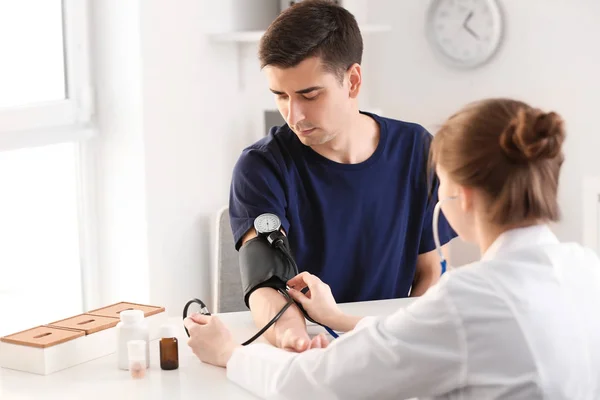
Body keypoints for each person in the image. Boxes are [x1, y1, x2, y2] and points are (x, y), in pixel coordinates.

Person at [185, 98, 600, 399]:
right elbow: (428, 338)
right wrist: (340, 319)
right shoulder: (585, 269)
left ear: (465, 195)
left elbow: (312, 384)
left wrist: (230, 352)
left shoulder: (471, 299)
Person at [228, 0, 455, 353]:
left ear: (352, 81)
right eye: (281, 96)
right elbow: (266, 282)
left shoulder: (417, 149)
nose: (293, 114)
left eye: (309, 94)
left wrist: (408, 344)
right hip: (309, 347)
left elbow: (432, 271)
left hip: (391, 344)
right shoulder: (261, 166)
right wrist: (295, 338)